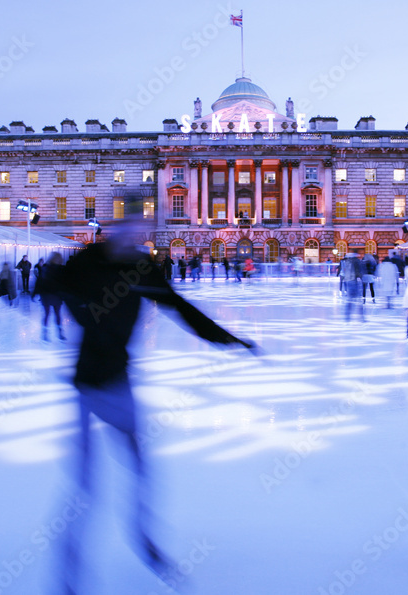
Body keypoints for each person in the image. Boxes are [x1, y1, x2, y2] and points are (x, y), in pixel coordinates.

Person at [57, 196, 255, 592]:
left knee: (139, 467)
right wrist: (83, 311)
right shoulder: (85, 259)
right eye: (128, 224)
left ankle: (144, 540)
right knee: (85, 483)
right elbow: (53, 286)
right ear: (115, 226)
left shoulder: (140, 266)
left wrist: (228, 339)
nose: (134, 232)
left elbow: (179, 307)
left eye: (140, 226)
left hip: (118, 380)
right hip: (86, 382)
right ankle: (69, 569)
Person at [34, 252, 66, 341]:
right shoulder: (57, 269)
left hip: (50, 295)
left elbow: (39, 282)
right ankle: (54, 333)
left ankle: (51, 333)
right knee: (53, 314)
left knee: (52, 314)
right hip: (51, 294)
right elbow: (40, 282)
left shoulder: (47, 268)